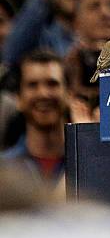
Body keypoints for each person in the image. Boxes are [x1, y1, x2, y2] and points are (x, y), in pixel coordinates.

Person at [1, 50, 70, 189]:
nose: (43, 93)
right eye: (32, 85)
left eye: (52, 84)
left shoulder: (89, 161)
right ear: (18, 98)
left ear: (68, 93)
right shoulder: (4, 169)